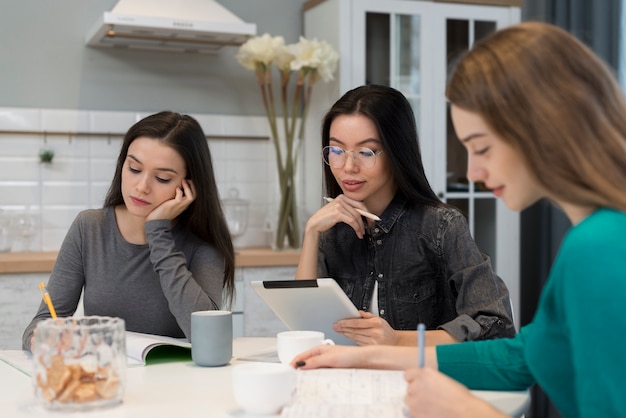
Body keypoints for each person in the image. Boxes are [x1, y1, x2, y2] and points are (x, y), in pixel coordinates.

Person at [292, 22, 626, 417]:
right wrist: (365, 359)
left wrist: (466, 410)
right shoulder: (593, 238)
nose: (471, 172)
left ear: (542, 130)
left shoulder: (601, 246)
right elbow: (520, 358)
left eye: (480, 147)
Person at [295, 84, 515, 346]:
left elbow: (496, 325)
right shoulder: (330, 230)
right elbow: (304, 331)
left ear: (397, 152)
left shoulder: (441, 227)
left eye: (366, 152)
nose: (348, 167)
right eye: (337, 151)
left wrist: (397, 340)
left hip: (420, 381)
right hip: (350, 380)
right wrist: (311, 233)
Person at [22, 111, 235, 351]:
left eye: (163, 178)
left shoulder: (202, 243)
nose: (142, 187)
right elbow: (41, 324)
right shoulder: (89, 228)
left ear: (189, 186)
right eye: (134, 169)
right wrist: (41, 339)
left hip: (176, 383)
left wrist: (158, 233)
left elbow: (208, 337)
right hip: (104, 377)